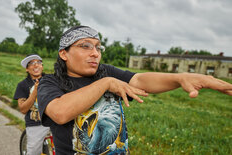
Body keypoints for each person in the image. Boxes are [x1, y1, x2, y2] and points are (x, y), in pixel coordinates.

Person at [37, 26, 232, 155]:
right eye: (85, 46)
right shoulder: (50, 82)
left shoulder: (106, 72)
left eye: (98, 47)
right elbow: (60, 112)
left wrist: (179, 78)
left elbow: (139, 80)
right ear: (64, 53)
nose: (95, 53)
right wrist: (105, 84)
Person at [13, 54, 49, 155]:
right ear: (27, 69)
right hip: (36, 123)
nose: (36, 65)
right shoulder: (22, 85)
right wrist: (34, 92)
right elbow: (23, 109)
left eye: (38, 62)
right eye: (32, 63)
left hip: (55, 120)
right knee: (33, 151)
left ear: (42, 66)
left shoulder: (51, 80)